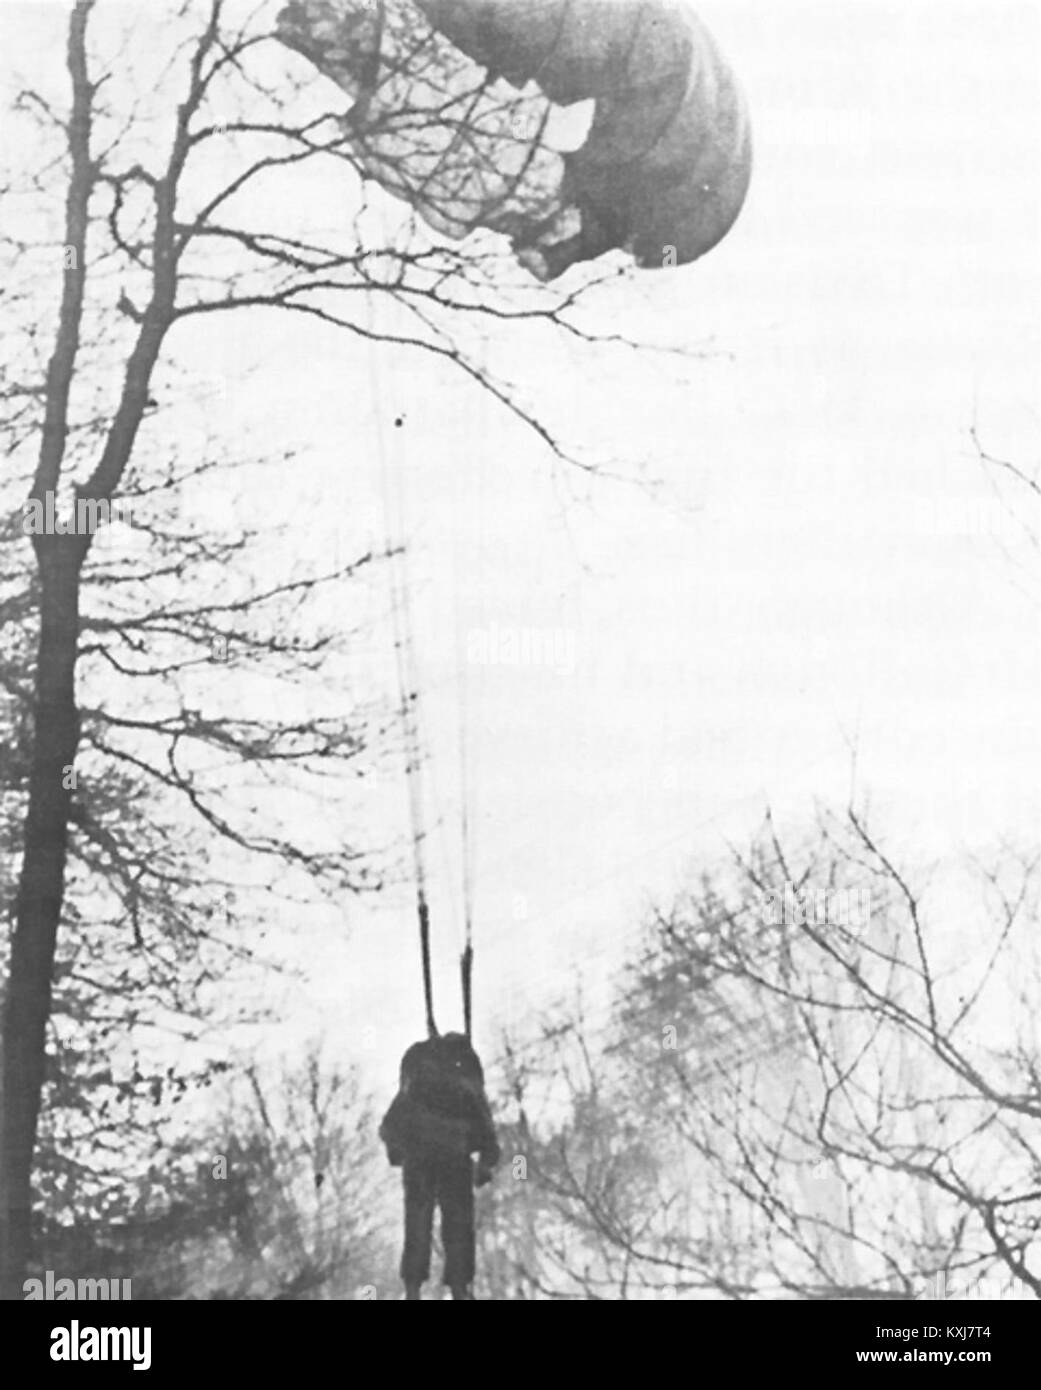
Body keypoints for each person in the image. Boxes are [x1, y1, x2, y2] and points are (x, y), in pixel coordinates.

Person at [380, 1032, 500, 1300]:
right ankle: (459, 1288)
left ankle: (413, 1288)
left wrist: (399, 1153)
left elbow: (389, 1127)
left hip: (419, 1161)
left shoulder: (416, 1083)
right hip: (454, 1161)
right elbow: (488, 1136)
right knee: (458, 1226)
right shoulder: (465, 1086)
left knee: (417, 1223)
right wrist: (485, 1166)